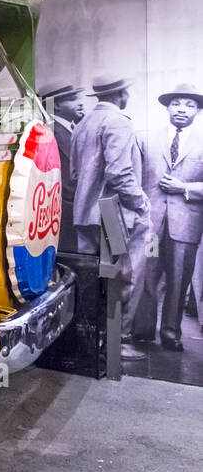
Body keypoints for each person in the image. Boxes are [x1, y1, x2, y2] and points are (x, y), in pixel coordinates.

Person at [70, 75, 151, 361]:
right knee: (121, 278)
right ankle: (117, 344)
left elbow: (75, 174)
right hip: (111, 212)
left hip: (85, 213)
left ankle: (91, 341)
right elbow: (119, 173)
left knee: (93, 279)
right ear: (121, 94)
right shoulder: (119, 122)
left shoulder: (82, 125)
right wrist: (141, 203)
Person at [131, 84, 203, 350]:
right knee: (147, 275)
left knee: (178, 280)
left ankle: (171, 334)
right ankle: (143, 331)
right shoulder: (146, 139)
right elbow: (135, 180)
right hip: (151, 225)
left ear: (197, 110)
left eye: (189, 105)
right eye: (176, 103)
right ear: (167, 107)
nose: (182, 109)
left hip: (186, 226)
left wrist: (184, 187)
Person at [40, 83, 87, 249]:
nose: (81, 103)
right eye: (74, 99)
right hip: (64, 219)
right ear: (57, 105)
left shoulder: (73, 129)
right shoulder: (49, 131)